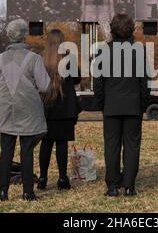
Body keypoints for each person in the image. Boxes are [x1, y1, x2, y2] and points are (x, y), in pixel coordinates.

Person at [94, 14, 150, 197]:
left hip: (111, 106)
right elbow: (144, 83)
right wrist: (142, 105)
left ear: (112, 29)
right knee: (132, 146)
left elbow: (98, 83)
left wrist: (103, 104)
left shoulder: (103, 51)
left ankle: (112, 186)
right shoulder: (139, 50)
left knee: (111, 146)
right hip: (133, 106)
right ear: (131, 29)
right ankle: (129, 186)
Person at [0, 19, 50, 202]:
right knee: (27, 151)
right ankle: (28, 192)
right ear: (25, 35)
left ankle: (3, 191)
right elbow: (44, 87)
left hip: (7, 110)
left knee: (6, 151)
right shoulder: (34, 58)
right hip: (28, 109)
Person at [38, 29, 82, 191]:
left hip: (46, 107)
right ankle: (62, 178)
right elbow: (77, 79)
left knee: (46, 143)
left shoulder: (41, 59)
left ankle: (42, 178)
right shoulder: (68, 59)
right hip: (65, 108)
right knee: (62, 144)